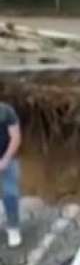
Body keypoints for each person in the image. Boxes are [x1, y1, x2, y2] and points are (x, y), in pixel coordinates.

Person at [0, 101, 21, 248]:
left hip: (7, 158)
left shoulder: (6, 111)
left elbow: (15, 137)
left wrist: (5, 160)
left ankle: (13, 227)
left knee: (10, 194)